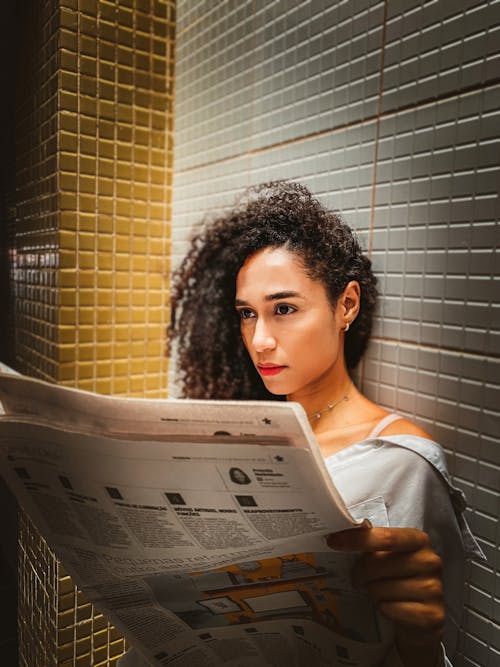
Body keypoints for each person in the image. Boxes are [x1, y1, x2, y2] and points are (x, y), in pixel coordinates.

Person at [122, 181, 482, 666]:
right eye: (247, 314)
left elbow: (425, 638)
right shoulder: (237, 431)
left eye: (284, 309)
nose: (260, 340)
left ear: (346, 305)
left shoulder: (399, 463)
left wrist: (420, 641)